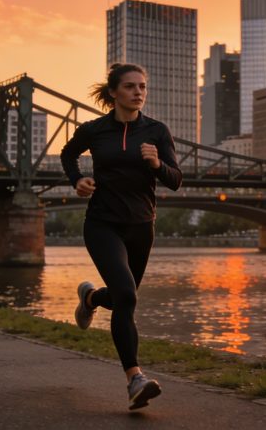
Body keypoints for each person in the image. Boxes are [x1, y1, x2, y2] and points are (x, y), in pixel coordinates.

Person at [60, 63, 182, 411]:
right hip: (102, 223)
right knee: (128, 296)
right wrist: (77, 180)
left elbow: (175, 179)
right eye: (130, 87)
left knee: (119, 298)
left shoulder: (157, 131)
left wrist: (157, 165)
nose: (138, 92)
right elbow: (68, 155)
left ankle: (91, 299)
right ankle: (135, 378)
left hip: (142, 226)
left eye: (142, 86)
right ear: (113, 92)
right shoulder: (94, 130)